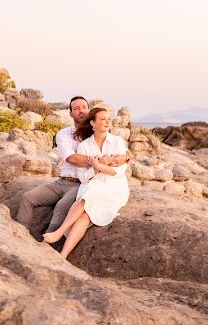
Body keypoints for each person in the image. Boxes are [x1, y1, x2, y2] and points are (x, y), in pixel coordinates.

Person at [16, 96, 129, 236]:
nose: (81, 111)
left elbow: (121, 150)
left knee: (62, 206)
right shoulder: (63, 134)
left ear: (89, 111)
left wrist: (126, 157)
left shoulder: (99, 132)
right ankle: (20, 235)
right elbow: (72, 158)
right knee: (27, 198)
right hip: (61, 181)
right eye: (76, 109)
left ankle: (47, 243)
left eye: (84, 107)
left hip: (80, 183)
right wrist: (99, 161)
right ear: (70, 114)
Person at [42, 107, 130, 258]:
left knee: (92, 188)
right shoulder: (84, 146)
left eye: (109, 119)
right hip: (92, 187)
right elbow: (83, 177)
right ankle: (63, 255)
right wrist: (98, 169)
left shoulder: (117, 142)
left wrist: (97, 166)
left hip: (114, 189)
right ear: (92, 123)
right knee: (85, 216)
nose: (107, 121)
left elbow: (118, 171)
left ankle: (59, 232)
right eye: (103, 119)